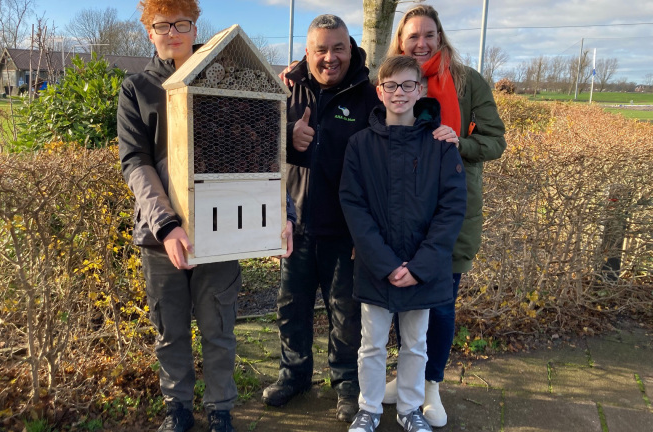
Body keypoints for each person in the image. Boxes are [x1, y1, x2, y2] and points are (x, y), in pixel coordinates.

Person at [117, 1, 295, 431]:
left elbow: (260, 154)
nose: (173, 31)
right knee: (170, 329)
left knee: (218, 326)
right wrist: (167, 225)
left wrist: (278, 215)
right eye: (163, 24)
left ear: (194, 26)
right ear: (149, 31)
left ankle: (220, 409)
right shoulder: (137, 87)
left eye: (182, 23)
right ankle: (177, 407)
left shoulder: (225, 80)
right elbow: (135, 162)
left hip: (220, 230)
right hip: (161, 236)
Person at [382, 5, 507, 428]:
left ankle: (430, 384)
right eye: (412, 36)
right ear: (400, 40)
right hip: (400, 212)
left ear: (440, 37)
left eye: (428, 35)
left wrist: (458, 143)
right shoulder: (388, 80)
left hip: (453, 209)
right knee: (401, 298)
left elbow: (494, 141)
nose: (421, 43)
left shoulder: (467, 81)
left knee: (440, 301)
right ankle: (406, 379)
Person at [260, 14, 381, 423]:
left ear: (352, 47)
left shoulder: (369, 98)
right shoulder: (287, 91)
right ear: (307, 53)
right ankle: (293, 376)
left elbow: (381, 168)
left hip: (345, 232)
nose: (330, 58)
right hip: (294, 226)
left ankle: (347, 384)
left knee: (345, 315)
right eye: (321, 50)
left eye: (338, 48)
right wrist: (288, 138)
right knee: (291, 308)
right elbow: (257, 150)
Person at [340, 54, 467, 432]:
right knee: (372, 344)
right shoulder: (360, 145)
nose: (399, 93)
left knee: (416, 345)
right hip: (376, 268)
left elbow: (452, 209)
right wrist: (385, 263)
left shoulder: (440, 145)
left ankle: (410, 408)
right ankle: (370, 408)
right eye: (391, 86)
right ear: (379, 91)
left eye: (408, 85)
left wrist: (419, 266)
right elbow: (354, 206)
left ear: (420, 91)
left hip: (421, 270)